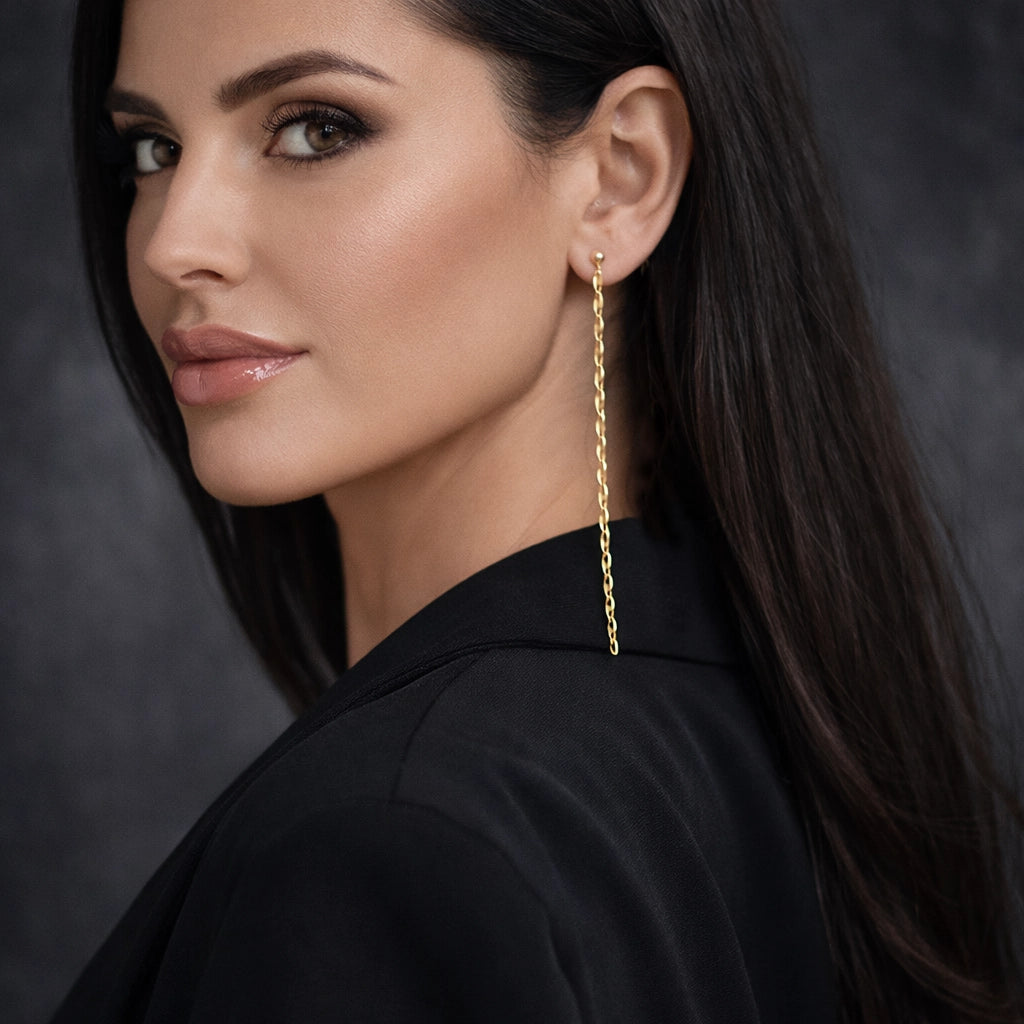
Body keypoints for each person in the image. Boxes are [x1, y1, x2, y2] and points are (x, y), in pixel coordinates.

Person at [55, 0, 1021, 1020]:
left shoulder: (393, 842)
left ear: (619, 176)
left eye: (315, 130)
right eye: (153, 148)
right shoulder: (765, 721)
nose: (174, 242)